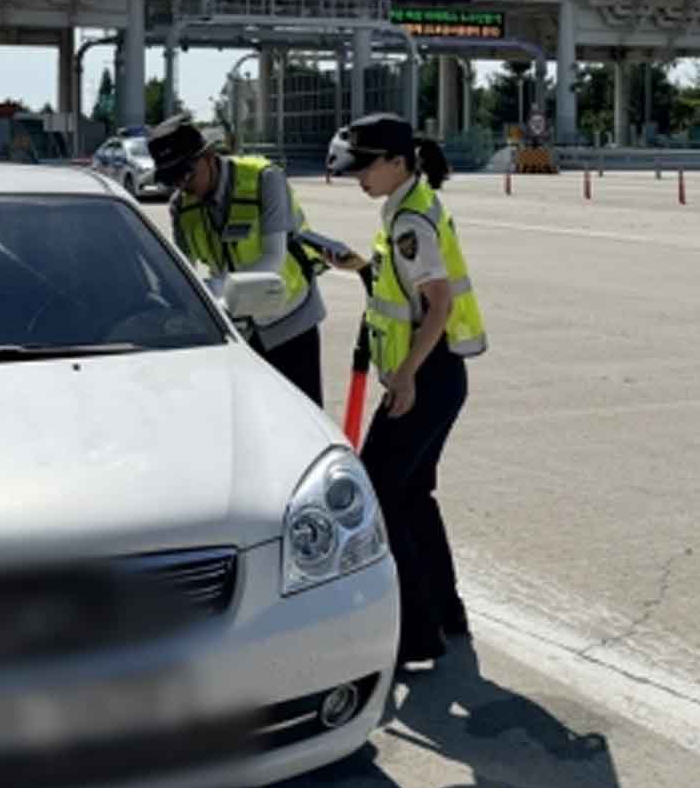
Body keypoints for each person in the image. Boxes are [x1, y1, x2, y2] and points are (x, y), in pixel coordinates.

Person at [325, 113, 487, 666]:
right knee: (412, 496)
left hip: (424, 376)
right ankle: (446, 613)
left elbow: (437, 304)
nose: (359, 178)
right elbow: (409, 289)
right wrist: (360, 268)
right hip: (436, 376)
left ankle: (416, 634)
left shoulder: (409, 221)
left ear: (398, 162)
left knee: (380, 496)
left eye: (366, 167)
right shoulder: (407, 207)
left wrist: (407, 376)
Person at [148, 116, 330, 404]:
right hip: (238, 328)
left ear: (208, 157)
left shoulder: (264, 179)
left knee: (302, 415)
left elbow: (273, 259)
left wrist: (216, 295)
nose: (183, 187)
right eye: (172, 180)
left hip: (290, 317)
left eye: (186, 174)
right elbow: (183, 272)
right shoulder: (181, 207)